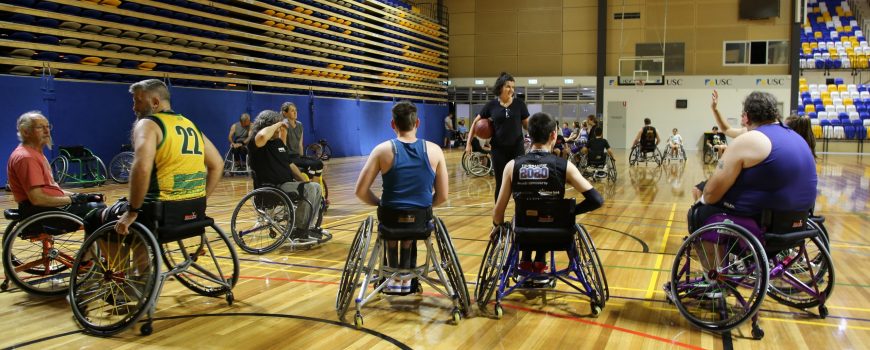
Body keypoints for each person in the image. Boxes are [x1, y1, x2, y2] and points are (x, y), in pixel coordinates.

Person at [690, 91, 817, 240]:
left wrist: (703, 199)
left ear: (747, 117)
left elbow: (711, 195)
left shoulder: (749, 138)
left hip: (766, 223)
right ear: (775, 114)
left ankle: (715, 263)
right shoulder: (798, 138)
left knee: (700, 213)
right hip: (800, 220)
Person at [493, 112, 603, 274]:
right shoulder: (565, 166)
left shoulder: (511, 166)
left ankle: (525, 260)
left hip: (523, 234)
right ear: (553, 135)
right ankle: (539, 261)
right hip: (557, 234)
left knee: (525, 216)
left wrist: (498, 227)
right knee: (546, 216)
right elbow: (596, 200)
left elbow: (498, 211)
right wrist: (569, 212)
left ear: (529, 135)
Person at [355, 101, 448, 293]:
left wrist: (379, 203)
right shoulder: (434, 150)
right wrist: (422, 205)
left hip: (390, 220)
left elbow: (361, 191)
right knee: (409, 233)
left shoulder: (382, 150)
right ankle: (407, 279)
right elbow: (443, 196)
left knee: (392, 230)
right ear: (417, 123)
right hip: (420, 221)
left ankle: (393, 278)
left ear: (393, 124)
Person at [111, 79, 224, 235]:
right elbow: (217, 164)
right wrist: (201, 200)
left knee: (96, 218)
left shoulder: (148, 124)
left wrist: (132, 211)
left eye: (138, 101)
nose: (134, 107)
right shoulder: (189, 124)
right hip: (193, 210)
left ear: (155, 102)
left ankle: (118, 260)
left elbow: (142, 168)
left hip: (160, 212)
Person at [7, 111, 105, 219]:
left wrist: (83, 197)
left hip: (48, 208)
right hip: (43, 212)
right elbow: (38, 199)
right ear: (25, 132)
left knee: (95, 203)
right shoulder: (27, 157)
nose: (46, 131)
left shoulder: (35, 154)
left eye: (48, 126)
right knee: (99, 209)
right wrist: (73, 200)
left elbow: (52, 190)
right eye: (40, 127)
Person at [248, 110, 327, 239]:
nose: (279, 129)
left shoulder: (278, 143)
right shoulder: (255, 141)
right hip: (271, 188)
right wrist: (278, 123)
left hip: (285, 185)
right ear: (267, 125)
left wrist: (305, 182)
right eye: (276, 126)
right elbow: (262, 137)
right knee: (312, 188)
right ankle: (299, 229)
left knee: (314, 187)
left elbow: (290, 165)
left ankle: (305, 227)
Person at [466, 72, 530, 201]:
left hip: (517, 148)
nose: (511, 90)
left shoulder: (519, 104)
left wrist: (538, 135)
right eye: (508, 86)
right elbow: (475, 122)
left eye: (513, 87)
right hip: (498, 149)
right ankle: (498, 217)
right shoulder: (491, 106)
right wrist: (468, 143)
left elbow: (527, 125)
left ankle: (521, 216)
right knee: (500, 183)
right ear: (500, 87)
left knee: (519, 182)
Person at [280, 102, 324, 185]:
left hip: (297, 156)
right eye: (292, 110)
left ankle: (313, 188)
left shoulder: (300, 125)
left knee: (319, 163)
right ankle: (309, 186)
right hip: (289, 157)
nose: (295, 112)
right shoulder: (284, 125)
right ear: (285, 113)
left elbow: (300, 144)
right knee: (313, 165)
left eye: (296, 110)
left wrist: (303, 158)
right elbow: (283, 145)